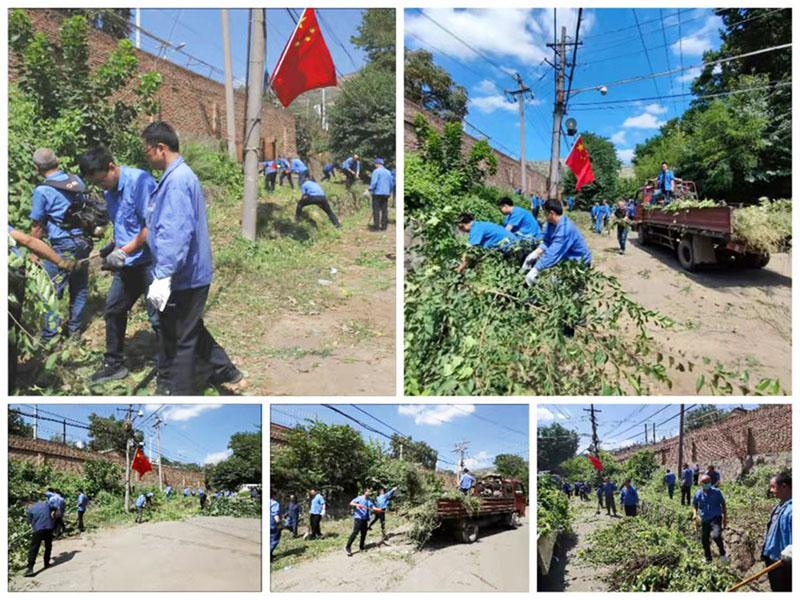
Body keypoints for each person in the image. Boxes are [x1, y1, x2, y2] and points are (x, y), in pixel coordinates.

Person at [141, 121, 243, 395]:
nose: (147, 157)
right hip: (186, 273)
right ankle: (223, 370)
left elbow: (175, 234)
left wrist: (163, 276)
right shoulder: (178, 177)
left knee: (182, 340)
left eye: (147, 151)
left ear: (160, 148)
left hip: (184, 276)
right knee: (185, 329)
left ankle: (179, 392)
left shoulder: (176, 182)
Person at [78, 146, 161, 384]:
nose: (101, 186)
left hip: (151, 262)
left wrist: (124, 251)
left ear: (112, 167)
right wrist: (113, 245)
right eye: (96, 184)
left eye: (101, 181)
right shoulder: (109, 191)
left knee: (158, 316)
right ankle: (114, 364)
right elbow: (125, 225)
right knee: (114, 310)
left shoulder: (140, 182)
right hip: (128, 263)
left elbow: (151, 226)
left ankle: (169, 364)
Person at [29, 148, 94, 345]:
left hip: (61, 245)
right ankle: (74, 331)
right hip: (83, 241)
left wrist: (35, 251)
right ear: (57, 160)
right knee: (79, 286)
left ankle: (51, 338)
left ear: (37, 167)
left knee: (52, 290)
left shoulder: (42, 191)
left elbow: (37, 225)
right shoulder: (75, 180)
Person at [521, 199, 592, 287]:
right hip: (566, 260)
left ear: (551, 213)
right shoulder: (551, 224)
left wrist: (536, 269)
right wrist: (535, 253)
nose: (544, 216)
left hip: (579, 263)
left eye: (545, 213)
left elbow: (554, 252)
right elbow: (548, 241)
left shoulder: (565, 229)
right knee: (557, 284)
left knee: (572, 290)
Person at [455, 213, 519, 273]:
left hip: (513, 249)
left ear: (463, 225)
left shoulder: (475, 229)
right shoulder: (479, 225)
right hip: (515, 245)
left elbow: (469, 253)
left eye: (460, 228)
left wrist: (459, 269)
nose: (461, 230)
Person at [762, 472, 792, 591]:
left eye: (773, 487)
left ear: (784, 486)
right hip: (772, 558)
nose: (771, 490)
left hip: (784, 563)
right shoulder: (779, 506)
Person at [693, 474, 728, 563]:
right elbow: (695, 505)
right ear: (701, 483)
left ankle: (723, 553)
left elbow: (723, 504)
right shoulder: (698, 494)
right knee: (704, 540)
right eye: (705, 482)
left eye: (708, 482)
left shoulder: (717, 492)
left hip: (716, 517)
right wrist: (695, 514)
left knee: (716, 535)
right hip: (705, 519)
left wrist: (725, 519)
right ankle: (708, 558)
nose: (707, 484)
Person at [24, 494, 56, 577]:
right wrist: (53, 517)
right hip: (49, 528)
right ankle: (46, 563)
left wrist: (33, 522)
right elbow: (55, 508)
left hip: (38, 530)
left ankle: (30, 568)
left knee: (34, 548)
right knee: (48, 546)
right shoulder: (46, 504)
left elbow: (28, 522)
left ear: (30, 503)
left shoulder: (30, 509)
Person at [345, 489, 380, 556]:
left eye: (370, 492)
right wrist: (358, 505)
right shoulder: (359, 498)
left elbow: (372, 507)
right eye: (368, 491)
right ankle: (347, 547)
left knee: (364, 534)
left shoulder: (369, 500)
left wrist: (378, 509)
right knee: (355, 533)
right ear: (365, 492)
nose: (370, 493)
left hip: (365, 519)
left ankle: (361, 547)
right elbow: (351, 503)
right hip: (358, 518)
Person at [369, 158, 393, 231]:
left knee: (376, 210)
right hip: (385, 193)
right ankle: (384, 227)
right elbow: (391, 184)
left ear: (377, 164)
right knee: (384, 210)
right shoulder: (388, 172)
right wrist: (389, 191)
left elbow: (374, 182)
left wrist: (370, 189)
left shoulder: (376, 171)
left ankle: (376, 227)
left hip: (377, 193)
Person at [270, 490, 281, 561]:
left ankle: (270, 555)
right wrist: (279, 523)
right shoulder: (274, 503)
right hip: (272, 525)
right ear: (274, 495)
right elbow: (275, 515)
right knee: (274, 540)